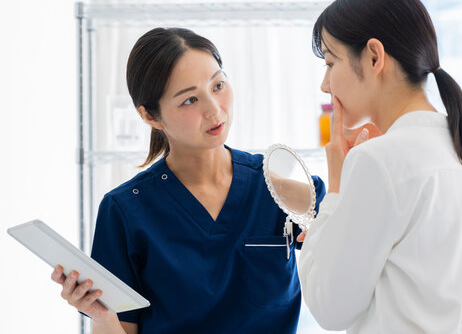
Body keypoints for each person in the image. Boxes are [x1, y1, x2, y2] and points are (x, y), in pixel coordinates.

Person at [51, 27, 325, 333]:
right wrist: (102, 316)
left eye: (218, 85)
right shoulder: (125, 212)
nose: (214, 109)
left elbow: (353, 268)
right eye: (189, 100)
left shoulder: (277, 190)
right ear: (150, 116)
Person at [298, 0, 462, 334]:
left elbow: (330, 306)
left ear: (374, 57)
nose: (325, 84)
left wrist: (336, 188)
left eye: (330, 63)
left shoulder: (378, 161)